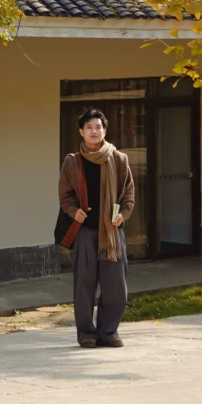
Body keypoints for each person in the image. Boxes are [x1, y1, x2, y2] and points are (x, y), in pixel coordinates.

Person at [58, 106, 135, 348]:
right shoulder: (73, 162)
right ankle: (86, 333)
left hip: (112, 233)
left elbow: (128, 195)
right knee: (84, 285)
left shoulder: (119, 159)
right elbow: (65, 195)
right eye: (89, 127)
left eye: (98, 127)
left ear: (105, 131)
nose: (94, 131)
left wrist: (122, 215)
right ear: (81, 131)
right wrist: (74, 211)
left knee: (116, 286)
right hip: (85, 232)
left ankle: (108, 331)